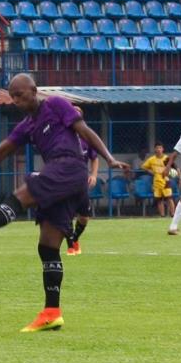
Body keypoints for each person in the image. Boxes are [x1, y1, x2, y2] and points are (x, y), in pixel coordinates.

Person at [0, 74, 129, 332]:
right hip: (62, 175)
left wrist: (109, 159)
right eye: (12, 97)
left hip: (69, 167)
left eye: (19, 95)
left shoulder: (55, 104)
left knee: (21, 195)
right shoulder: (26, 126)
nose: (16, 101)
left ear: (34, 91)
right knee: (48, 245)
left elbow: (85, 131)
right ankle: (51, 312)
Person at [66, 106, 99, 256]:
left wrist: (93, 174)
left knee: (84, 218)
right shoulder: (62, 137)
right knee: (66, 213)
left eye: (77, 116)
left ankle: (74, 238)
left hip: (81, 182)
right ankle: (70, 245)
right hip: (64, 181)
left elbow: (94, 158)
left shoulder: (87, 138)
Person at [141, 142, 175, 217]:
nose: (159, 149)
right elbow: (143, 167)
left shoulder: (166, 158)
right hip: (156, 181)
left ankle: (173, 214)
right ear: (155, 149)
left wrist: (169, 173)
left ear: (163, 149)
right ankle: (162, 215)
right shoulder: (152, 159)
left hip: (166, 181)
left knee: (169, 198)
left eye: (160, 148)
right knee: (159, 200)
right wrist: (151, 172)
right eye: (157, 148)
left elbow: (174, 168)